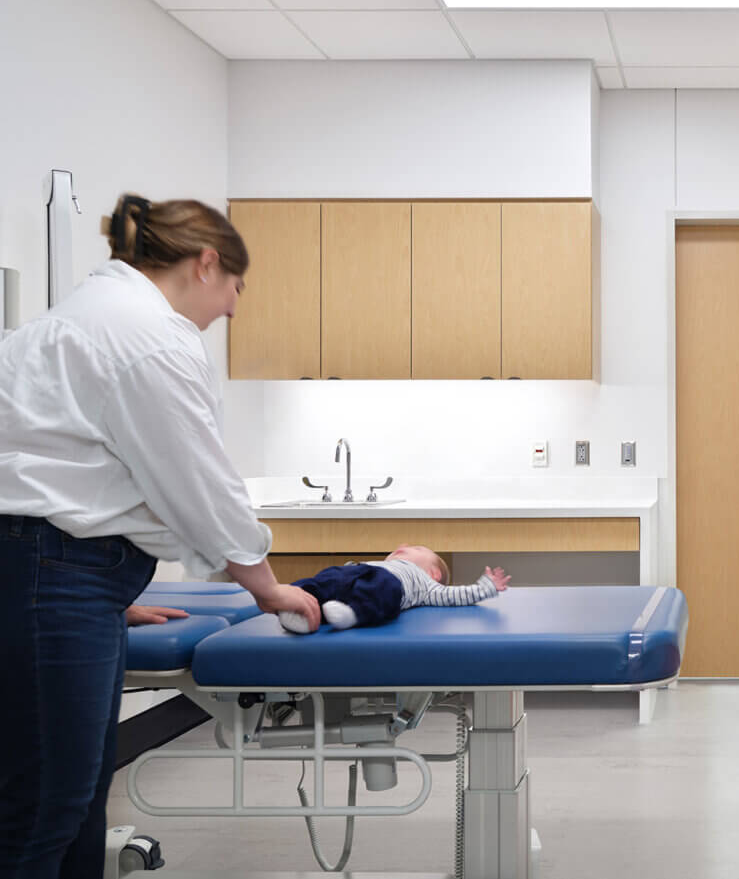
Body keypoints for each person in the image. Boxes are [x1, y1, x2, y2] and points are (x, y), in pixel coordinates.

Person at [0, 194, 320, 879]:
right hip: (51, 575)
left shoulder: (79, 319)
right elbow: (200, 483)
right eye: (235, 286)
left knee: (75, 801)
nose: (232, 308)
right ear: (206, 263)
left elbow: (65, 472)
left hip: (53, 576)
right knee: (44, 808)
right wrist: (267, 588)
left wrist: (95, 596)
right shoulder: (146, 337)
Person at [278, 544, 510, 633]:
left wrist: (485, 587)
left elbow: (454, 595)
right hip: (355, 572)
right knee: (326, 579)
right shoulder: (380, 563)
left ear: (434, 573)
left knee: (386, 591)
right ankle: (293, 606)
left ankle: (353, 615)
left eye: (416, 548)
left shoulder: (426, 584)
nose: (404, 546)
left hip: (386, 583)